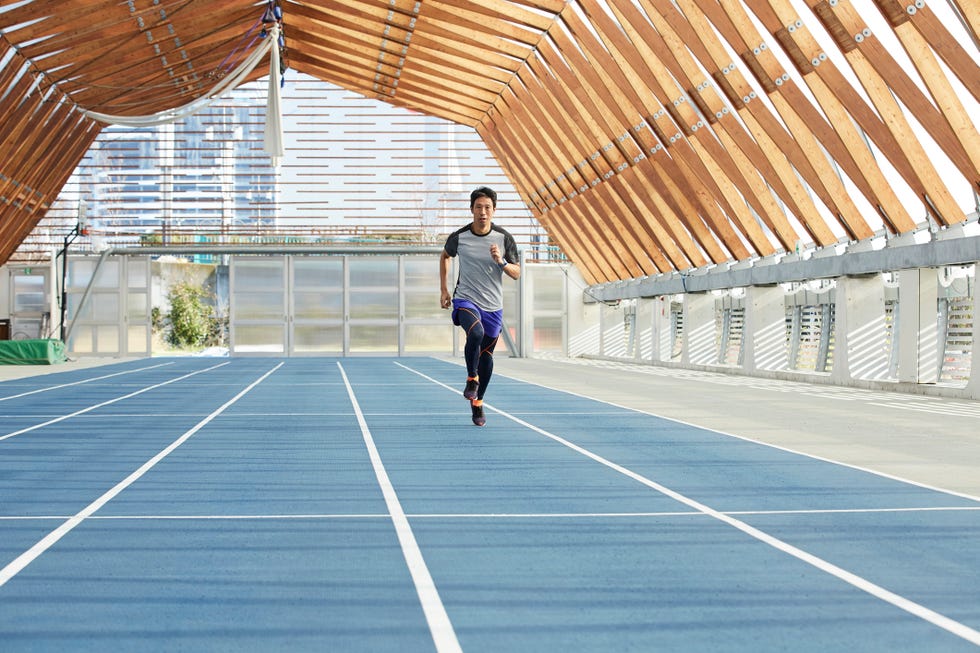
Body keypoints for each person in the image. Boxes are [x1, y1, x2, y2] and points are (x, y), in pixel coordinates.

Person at [440, 186, 520, 426]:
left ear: (494, 210)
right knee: (475, 332)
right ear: (471, 209)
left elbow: (516, 274)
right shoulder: (459, 237)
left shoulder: (504, 238)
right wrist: (444, 290)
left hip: (493, 306)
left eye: (487, 207)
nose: (482, 212)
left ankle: (478, 402)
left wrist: (501, 261)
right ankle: (471, 378)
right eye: (478, 207)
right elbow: (445, 256)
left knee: (486, 355)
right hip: (466, 298)